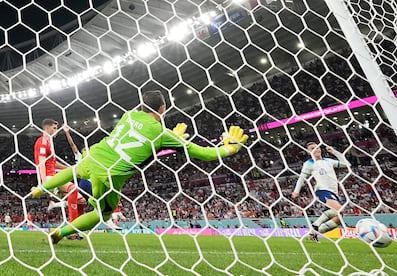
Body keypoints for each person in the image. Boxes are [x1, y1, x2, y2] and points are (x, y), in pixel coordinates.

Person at [32, 90, 248, 244]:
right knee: (101, 215)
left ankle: (40, 189)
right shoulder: (162, 133)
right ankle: (60, 233)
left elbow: (136, 138)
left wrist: (172, 138)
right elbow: (203, 153)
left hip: (94, 155)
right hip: (108, 175)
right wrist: (230, 149)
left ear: (142, 106)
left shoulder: (128, 115)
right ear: (163, 108)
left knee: (73, 170)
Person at [292, 142, 350, 242]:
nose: (316, 149)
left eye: (317, 147)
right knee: (339, 211)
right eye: (312, 148)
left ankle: (314, 233)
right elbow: (302, 178)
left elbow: (347, 164)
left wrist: (334, 152)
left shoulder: (328, 161)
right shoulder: (309, 164)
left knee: (339, 217)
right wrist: (296, 191)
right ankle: (315, 226)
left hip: (334, 192)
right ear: (309, 151)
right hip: (322, 190)